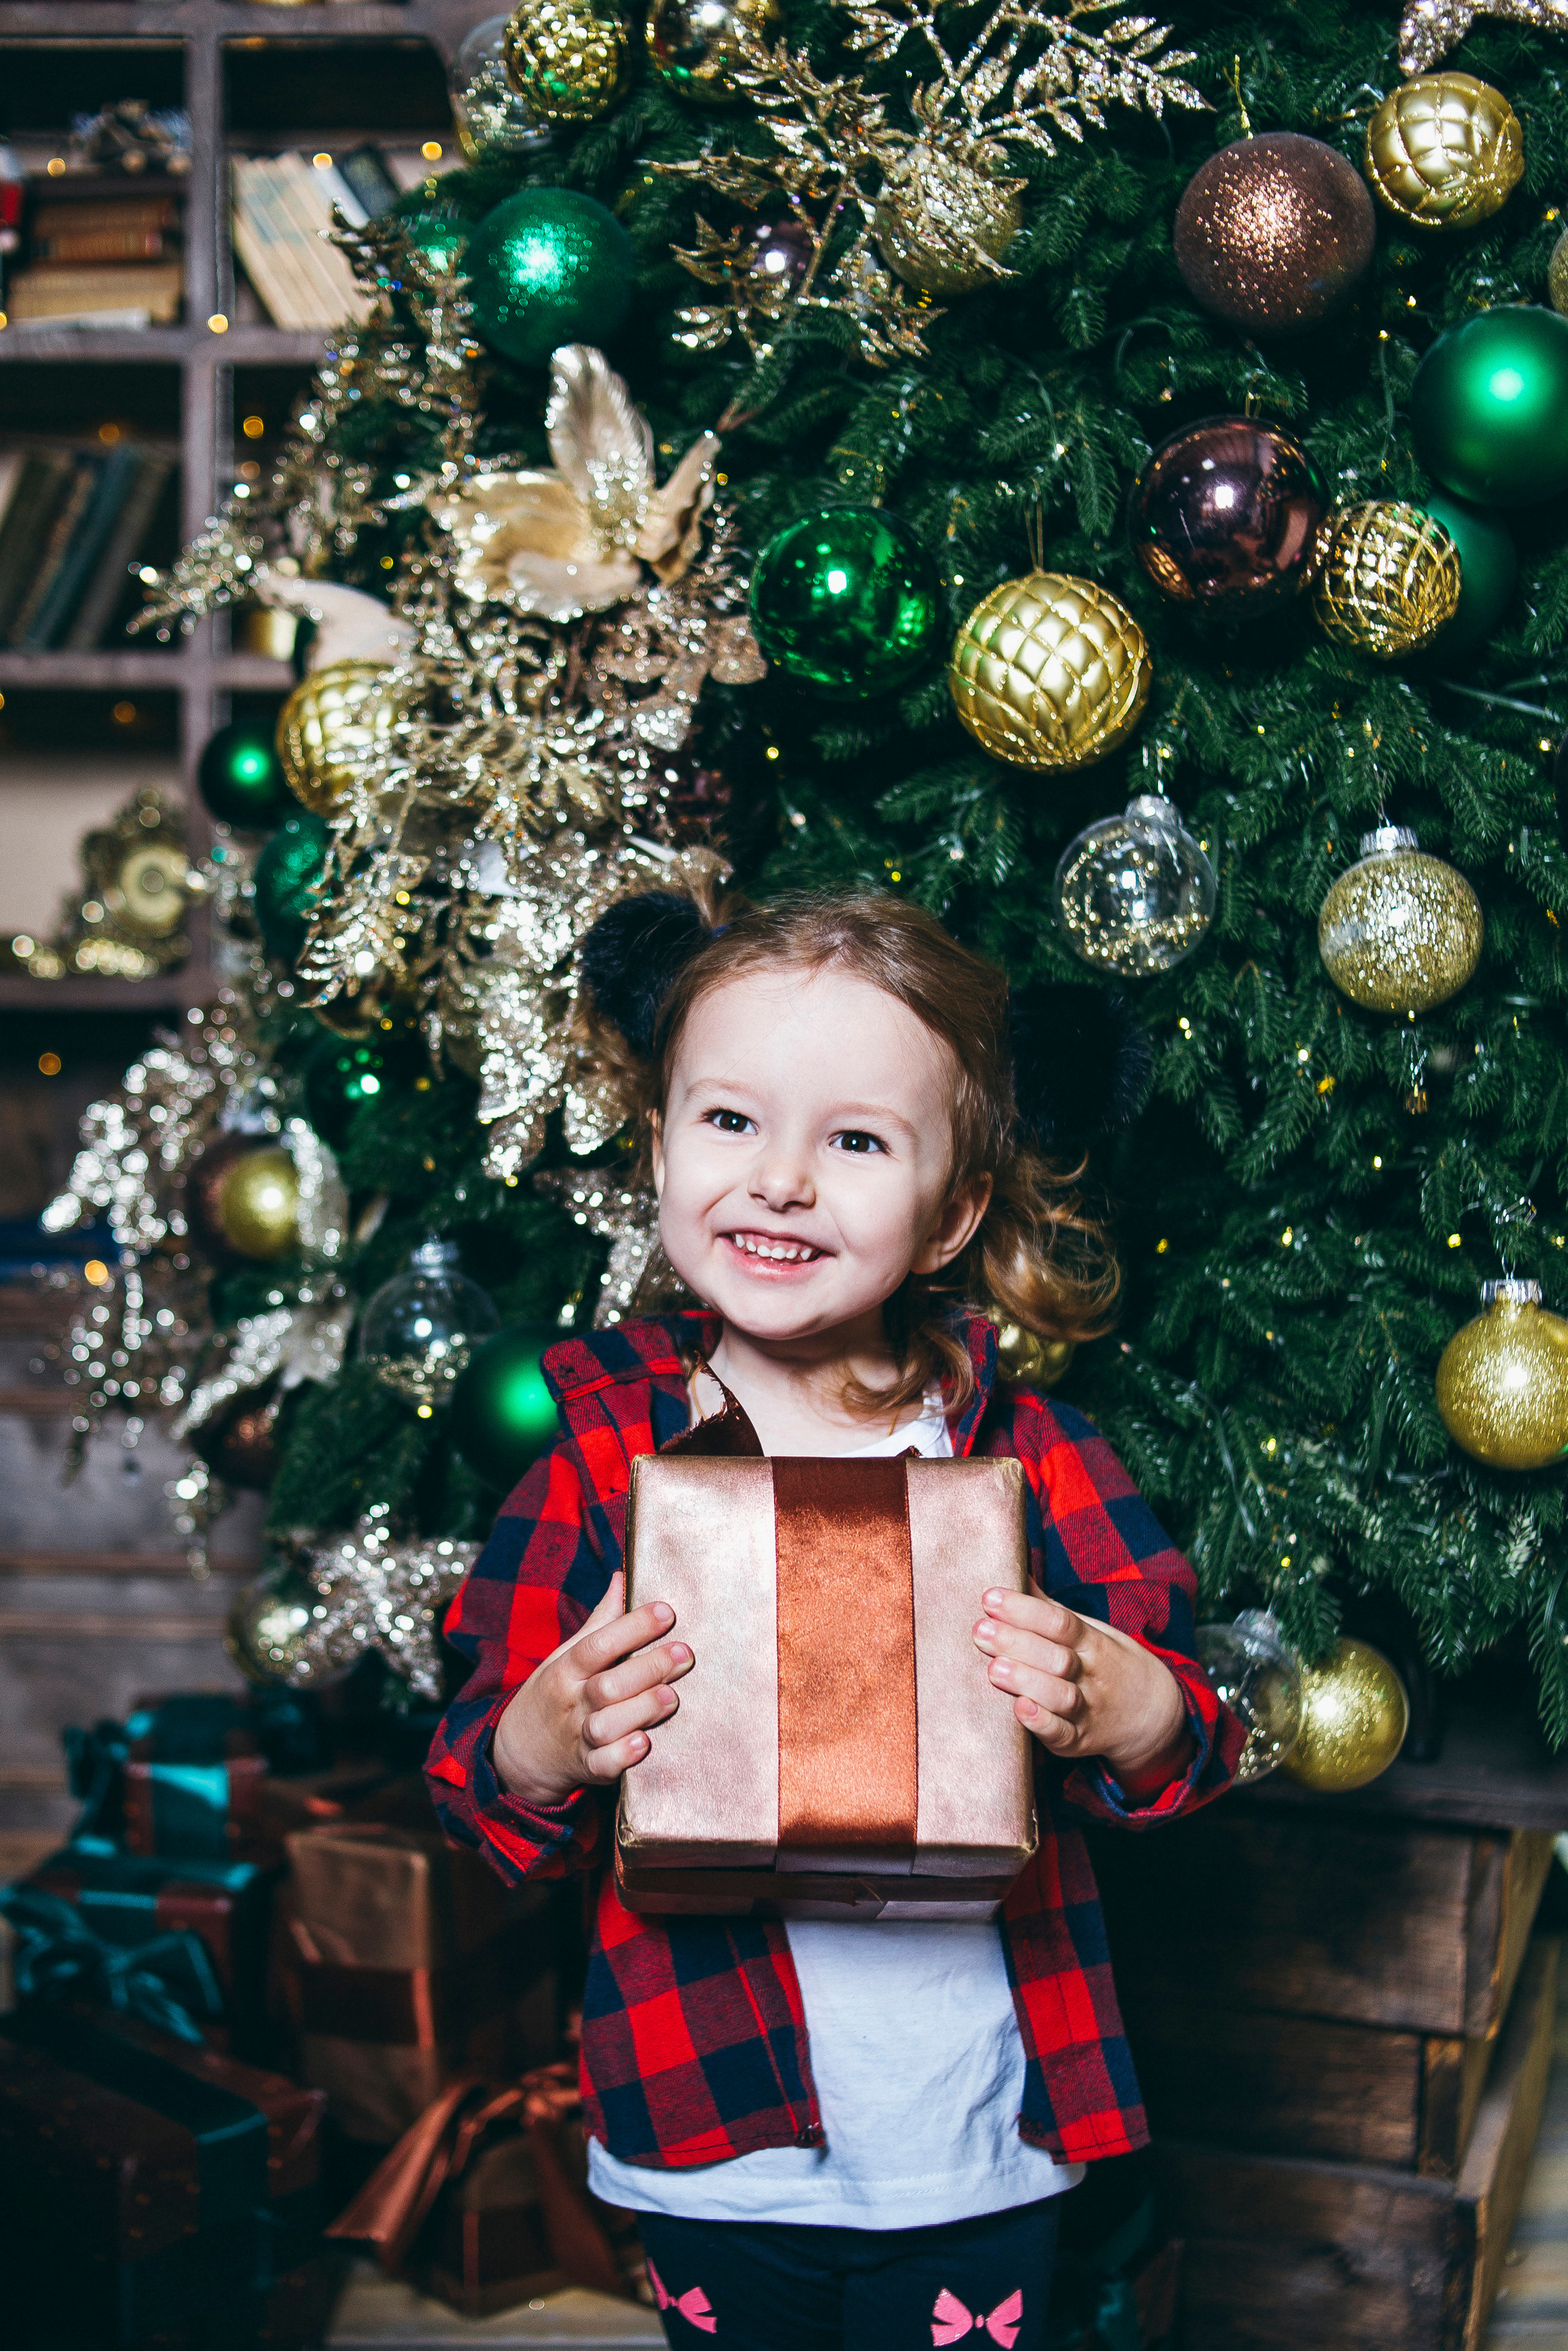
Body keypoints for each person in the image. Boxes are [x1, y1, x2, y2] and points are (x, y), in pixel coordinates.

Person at [426, 886, 1241, 2351]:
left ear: (952, 1210)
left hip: (972, 2133)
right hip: (708, 2134)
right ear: (660, 1143)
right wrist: (541, 1740)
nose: (781, 1180)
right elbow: (475, 1787)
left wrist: (1144, 1708)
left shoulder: (1028, 1456)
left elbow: (1186, 1729)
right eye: (730, 1120)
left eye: (855, 1140)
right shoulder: (600, 1464)